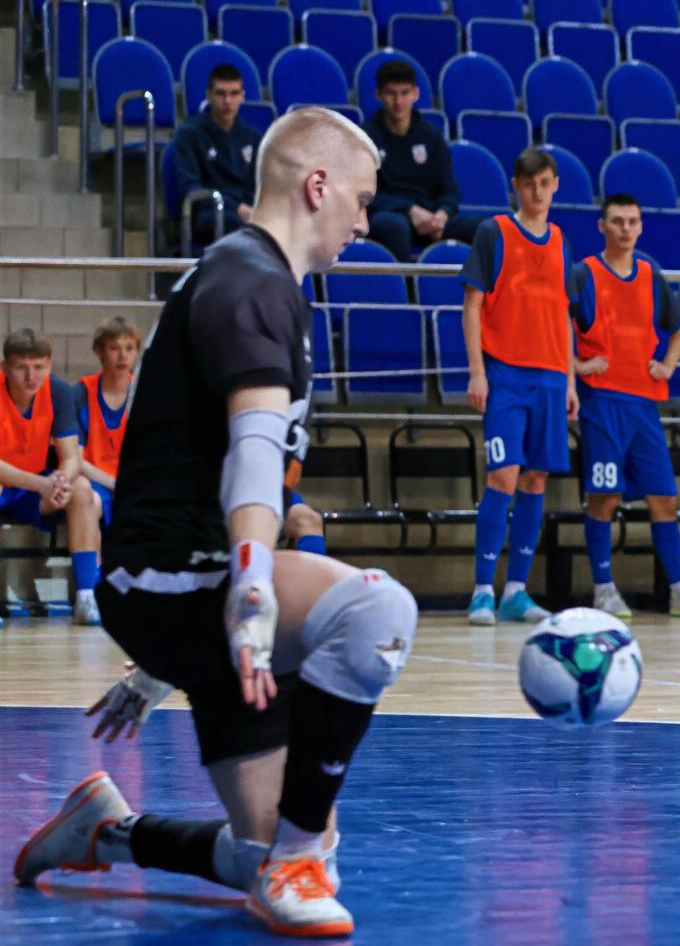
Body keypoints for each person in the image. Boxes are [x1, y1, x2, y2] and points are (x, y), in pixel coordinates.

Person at [13, 107, 419, 937]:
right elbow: (252, 454)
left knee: (268, 850)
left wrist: (163, 666)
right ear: (317, 186)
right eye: (361, 200)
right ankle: (293, 862)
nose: (364, 223)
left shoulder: (256, 280)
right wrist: (255, 588)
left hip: (190, 586)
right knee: (379, 609)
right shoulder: (251, 280)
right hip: (177, 577)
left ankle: (107, 831)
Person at [574, 193, 680, 619]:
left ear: (641, 227)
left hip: (644, 403)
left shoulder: (650, 275)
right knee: (604, 498)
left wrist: (667, 365)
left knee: (664, 497)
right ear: (602, 226)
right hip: (601, 400)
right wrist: (576, 365)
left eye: (632, 221)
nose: (625, 229)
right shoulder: (584, 273)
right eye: (617, 221)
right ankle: (604, 589)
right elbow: (552, 324)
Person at [462, 147, 594, 626]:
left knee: (536, 480)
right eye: (529, 183)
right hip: (505, 374)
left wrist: (570, 381)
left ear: (555, 185)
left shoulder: (560, 241)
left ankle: (516, 591)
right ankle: (482, 590)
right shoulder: (493, 232)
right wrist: (478, 371)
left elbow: (563, 316)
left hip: (551, 379)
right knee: (503, 476)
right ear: (515, 186)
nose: (537, 192)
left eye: (545, 183)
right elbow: (472, 305)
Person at [0, 328, 101, 625]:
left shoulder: (58, 390)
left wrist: (60, 481)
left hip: (34, 485)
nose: (31, 376)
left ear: (50, 365)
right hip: (14, 482)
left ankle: (86, 597)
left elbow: (71, 458)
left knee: (82, 489)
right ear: (4, 367)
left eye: (38, 367)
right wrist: (43, 485)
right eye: (21, 367)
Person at [363, 60, 483, 261]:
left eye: (404, 93)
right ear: (379, 95)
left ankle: (479, 282)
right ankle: (405, 281)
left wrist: (442, 214)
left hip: (430, 219)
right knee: (392, 225)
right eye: (391, 93)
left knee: (487, 228)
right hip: (391, 215)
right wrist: (409, 210)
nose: (398, 102)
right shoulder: (366, 137)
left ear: (416, 94)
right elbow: (365, 193)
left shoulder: (431, 136)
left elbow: (449, 189)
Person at [172, 63, 261, 247]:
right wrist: (237, 208)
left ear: (242, 96)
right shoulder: (189, 135)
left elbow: (258, 185)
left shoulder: (252, 136)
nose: (227, 101)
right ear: (209, 95)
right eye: (221, 93)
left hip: (248, 211)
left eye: (234, 93)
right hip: (209, 212)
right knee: (236, 224)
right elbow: (190, 188)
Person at [75, 317, 142, 532]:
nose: (123, 356)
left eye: (129, 348)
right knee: (89, 502)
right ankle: (91, 556)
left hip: (133, 479)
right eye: (114, 348)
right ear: (99, 351)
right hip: (93, 479)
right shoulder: (80, 393)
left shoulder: (145, 393)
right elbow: (75, 459)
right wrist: (114, 483)